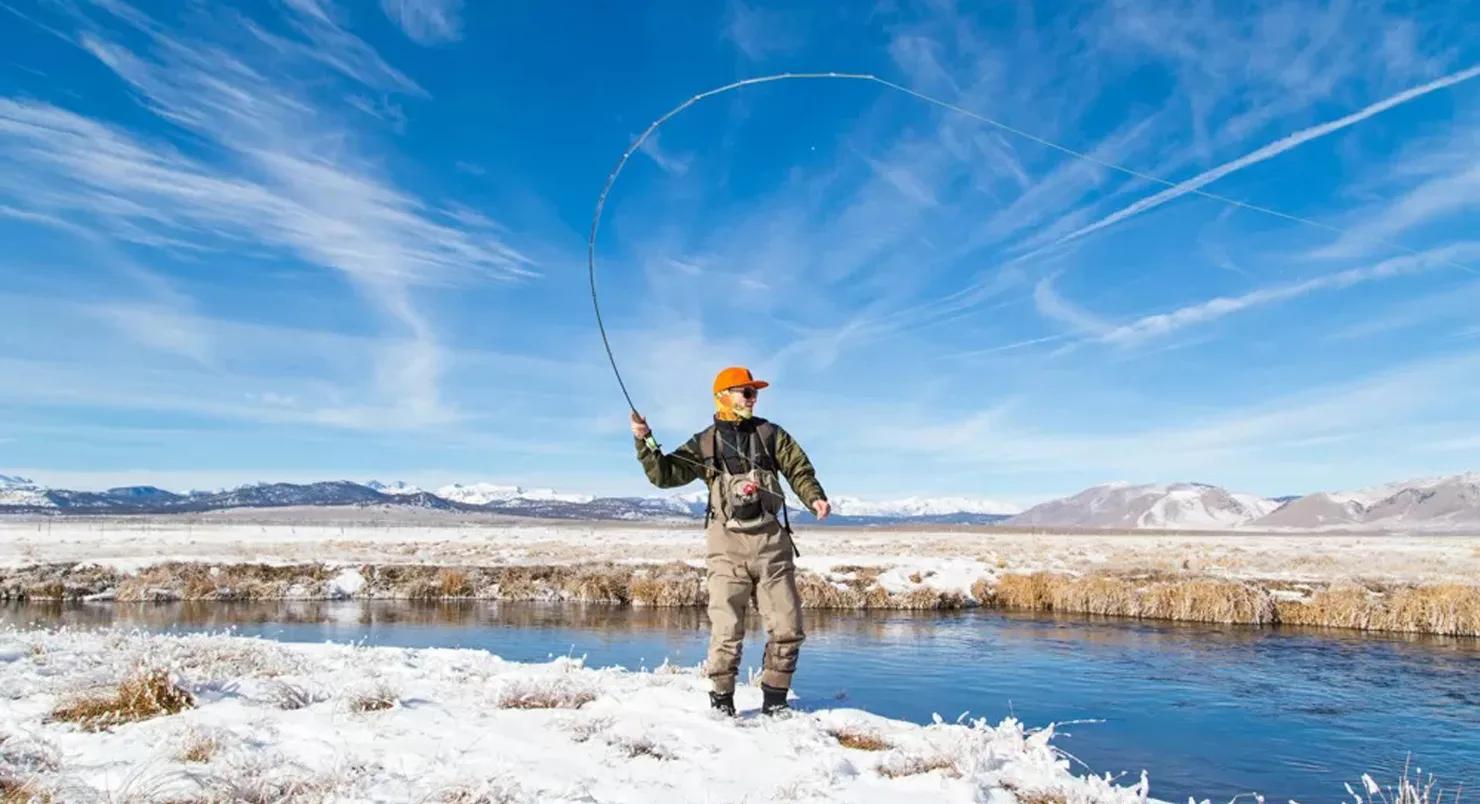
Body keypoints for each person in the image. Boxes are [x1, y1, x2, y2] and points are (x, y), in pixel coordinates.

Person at [630, 366, 830, 716]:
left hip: (772, 546)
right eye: (746, 392)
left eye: (755, 393)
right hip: (726, 549)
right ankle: (722, 704)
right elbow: (663, 474)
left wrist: (814, 497)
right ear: (723, 396)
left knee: (788, 628)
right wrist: (644, 439)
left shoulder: (771, 434)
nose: (753, 399)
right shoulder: (705, 442)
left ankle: (776, 704)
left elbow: (799, 469)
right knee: (726, 632)